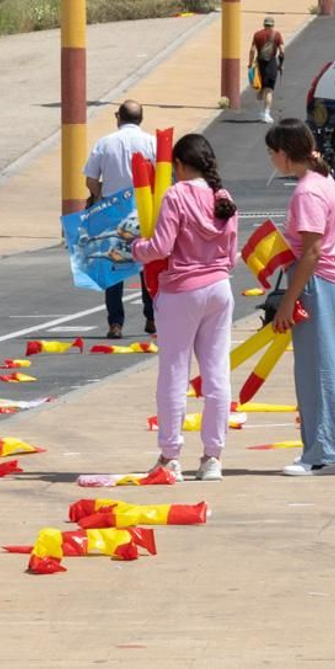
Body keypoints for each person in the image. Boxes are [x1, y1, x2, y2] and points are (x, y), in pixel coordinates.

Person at [131, 134, 239, 483]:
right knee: (217, 373)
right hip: (220, 289)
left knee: (174, 374)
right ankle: (212, 457)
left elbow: (160, 246)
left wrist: (136, 248)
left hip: (181, 291)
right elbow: (232, 257)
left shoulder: (176, 195)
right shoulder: (223, 197)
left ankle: (170, 455)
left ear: (178, 165)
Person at [266, 119, 335, 476]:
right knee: (318, 368)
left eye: (273, 153)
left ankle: (324, 452)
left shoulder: (307, 191)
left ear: (285, 154)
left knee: (316, 370)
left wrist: (288, 300)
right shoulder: (322, 180)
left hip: (317, 281)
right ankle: (321, 449)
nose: (272, 160)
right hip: (326, 281)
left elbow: (312, 251)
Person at [84, 99, 158, 338]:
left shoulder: (104, 143)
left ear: (118, 117)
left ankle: (115, 323)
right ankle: (151, 318)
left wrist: (101, 196)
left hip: (113, 212)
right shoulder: (151, 143)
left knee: (114, 267)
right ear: (141, 119)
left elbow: (91, 180)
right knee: (147, 266)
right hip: (144, 212)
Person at [251, 18, 286, 123]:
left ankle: (260, 111)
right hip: (271, 64)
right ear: (272, 25)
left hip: (259, 63)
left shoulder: (257, 34)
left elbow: (252, 50)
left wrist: (250, 63)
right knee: (269, 90)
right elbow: (282, 51)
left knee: (261, 88)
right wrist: (281, 65)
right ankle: (266, 113)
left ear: (264, 24)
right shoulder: (277, 35)